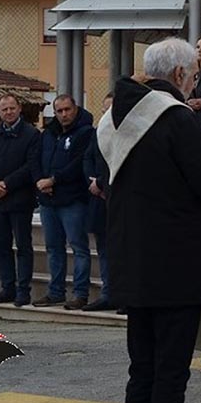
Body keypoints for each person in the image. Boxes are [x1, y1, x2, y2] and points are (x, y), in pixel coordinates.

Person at [97, 37, 201, 403]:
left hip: (134, 265)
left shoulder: (112, 118)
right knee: (170, 376)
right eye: (193, 75)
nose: (195, 83)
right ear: (177, 76)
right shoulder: (177, 118)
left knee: (143, 374)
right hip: (177, 267)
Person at [0, 94, 41, 307]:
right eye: (4, 109)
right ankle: (8, 288)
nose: (8, 112)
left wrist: (6, 184)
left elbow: (31, 166)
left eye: (12, 108)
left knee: (23, 246)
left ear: (19, 109)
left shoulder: (32, 134)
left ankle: (23, 290)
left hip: (20, 199)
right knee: (1, 246)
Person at [33, 95, 95, 310]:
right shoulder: (48, 133)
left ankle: (80, 293)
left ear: (75, 109)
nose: (64, 115)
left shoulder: (86, 133)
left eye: (67, 109)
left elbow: (79, 164)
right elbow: (36, 158)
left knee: (79, 247)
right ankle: (56, 292)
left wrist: (55, 179)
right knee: (53, 247)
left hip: (72, 199)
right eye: (59, 111)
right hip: (48, 199)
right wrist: (41, 181)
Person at [81, 93, 114, 312]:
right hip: (98, 200)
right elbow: (88, 158)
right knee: (103, 250)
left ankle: (123, 295)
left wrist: (102, 183)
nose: (106, 115)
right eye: (104, 111)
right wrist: (93, 181)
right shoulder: (97, 133)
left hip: (117, 199)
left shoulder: (128, 134)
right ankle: (107, 293)